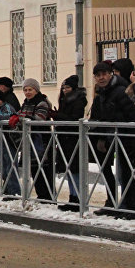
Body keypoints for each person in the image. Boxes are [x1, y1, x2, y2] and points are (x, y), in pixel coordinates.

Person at [89, 61, 135, 218]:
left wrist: (118, 126)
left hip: (125, 138)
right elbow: (99, 116)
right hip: (109, 138)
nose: (101, 78)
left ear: (111, 74)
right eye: (98, 75)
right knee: (109, 170)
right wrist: (100, 135)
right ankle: (114, 203)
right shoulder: (101, 93)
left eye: (104, 74)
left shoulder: (120, 91)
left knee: (127, 173)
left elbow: (130, 115)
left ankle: (130, 206)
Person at [11, 78, 54, 202]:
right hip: (30, 141)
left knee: (45, 169)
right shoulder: (26, 103)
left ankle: (48, 197)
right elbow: (19, 114)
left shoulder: (42, 102)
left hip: (42, 139)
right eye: (25, 90)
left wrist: (21, 117)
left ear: (36, 90)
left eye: (30, 89)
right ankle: (41, 195)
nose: (27, 92)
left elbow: (39, 119)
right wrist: (15, 116)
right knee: (34, 168)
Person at [52, 75, 88, 211]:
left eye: (67, 87)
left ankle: (78, 198)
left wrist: (58, 116)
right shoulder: (64, 100)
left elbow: (74, 119)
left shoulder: (78, 100)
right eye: (64, 87)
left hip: (73, 138)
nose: (65, 90)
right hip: (64, 137)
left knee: (75, 168)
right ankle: (73, 197)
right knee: (69, 169)